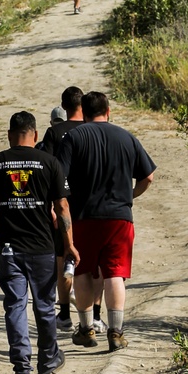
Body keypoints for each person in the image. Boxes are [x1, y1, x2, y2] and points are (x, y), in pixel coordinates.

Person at [0, 112, 78, 374]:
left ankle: (22, 368)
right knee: (45, 307)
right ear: (35, 136)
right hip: (43, 247)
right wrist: (69, 244)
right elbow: (62, 208)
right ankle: (47, 363)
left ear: (10, 135)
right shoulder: (50, 162)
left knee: (15, 306)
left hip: (10, 248)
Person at [56, 91, 155, 352]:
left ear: (84, 114)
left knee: (83, 271)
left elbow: (59, 179)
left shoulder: (73, 137)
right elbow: (148, 177)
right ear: (108, 111)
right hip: (120, 219)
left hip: (83, 217)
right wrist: (129, 196)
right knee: (115, 273)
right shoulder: (126, 137)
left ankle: (87, 329)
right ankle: (116, 332)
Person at [40, 85, 85, 331]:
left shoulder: (54, 133)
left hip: (62, 203)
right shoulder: (93, 130)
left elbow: (47, 169)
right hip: (90, 206)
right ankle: (92, 316)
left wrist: (50, 206)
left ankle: (65, 315)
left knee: (62, 259)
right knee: (89, 261)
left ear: (64, 107)